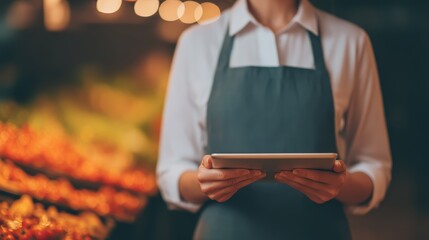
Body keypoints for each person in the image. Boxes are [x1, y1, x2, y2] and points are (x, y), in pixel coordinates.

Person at [157, 0, 392, 239]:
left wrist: (342, 185)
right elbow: (172, 170)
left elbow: (373, 165)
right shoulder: (197, 42)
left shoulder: (351, 42)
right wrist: (204, 183)